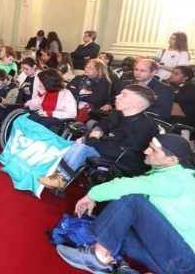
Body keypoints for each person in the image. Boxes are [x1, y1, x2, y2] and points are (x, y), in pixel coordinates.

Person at [56, 134, 195, 274]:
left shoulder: (176, 179)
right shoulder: (178, 175)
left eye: (154, 150)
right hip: (176, 259)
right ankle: (117, 264)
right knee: (113, 228)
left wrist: (92, 195)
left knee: (131, 199)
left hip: (182, 260)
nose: (146, 151)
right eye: (149, 147)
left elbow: (126, 186)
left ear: (172, 160)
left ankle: (98, 258)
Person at [38, 85, 159, 190]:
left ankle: (62, 178)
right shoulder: (118, 114)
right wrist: (97, 131)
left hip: (124, 158)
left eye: (124, 95)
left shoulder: (144, 126)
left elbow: (120, 151)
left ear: (138, 104)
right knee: (78, 143)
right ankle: (57, 173)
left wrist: (91, 141)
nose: (117, 97)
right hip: (108, 147)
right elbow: (102, 124)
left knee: (83, 147)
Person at [101, 58, 174, 121]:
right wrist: (109, 103)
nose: (137, 73)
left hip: (144, 123)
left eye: (142, 71)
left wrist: (133, 107)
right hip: (118, 119)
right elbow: (115, 98)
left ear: (153, 72)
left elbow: (163, 114)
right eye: (136, 69)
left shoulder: (165, 89)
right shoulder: (125, 84)